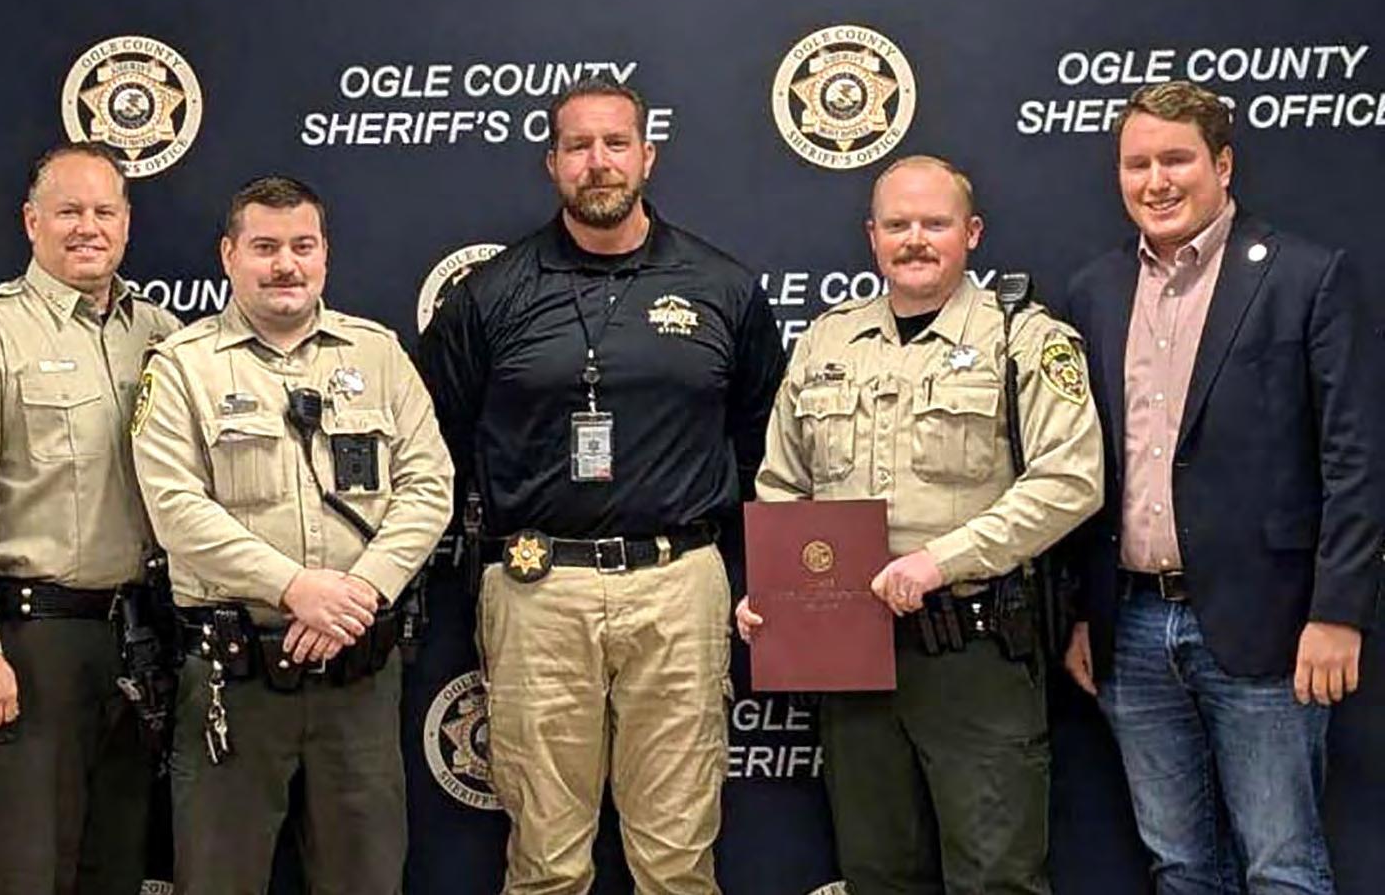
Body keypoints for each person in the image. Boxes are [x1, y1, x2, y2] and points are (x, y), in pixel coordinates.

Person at [417, 77, 785, 894]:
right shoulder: (492, 293)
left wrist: (754, 570)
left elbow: (767, 444)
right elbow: (433, 439)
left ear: (647, 155)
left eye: (616, 143)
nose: (599, 162)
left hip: (679, 585)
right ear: (552, 163)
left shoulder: (721, 286)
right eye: (578, 145)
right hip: (537, 589)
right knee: (546, 862)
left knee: (677, 861)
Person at [737, 155, 1104, 895]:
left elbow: (1071, 479)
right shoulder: (826, 342)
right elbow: (783, 484)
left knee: (996, 878)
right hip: (847, 654)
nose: (915, 240)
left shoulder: (1023, 338)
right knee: (877, 874)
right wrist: (774, 590)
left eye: (935, 223)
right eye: (897, 224)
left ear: (972, 233)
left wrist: (942, 559)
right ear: (872, 236)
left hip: (974, 647)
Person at [1060, 81, 1382, 895]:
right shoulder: (1095, 290)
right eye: (1137, 164)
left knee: (1282, 865)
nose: (1155, 181)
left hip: (1269, 623)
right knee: (1179, 863)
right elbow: (1083, 466)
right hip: (1131, 625)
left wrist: (1339, 611)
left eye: (1176, 159)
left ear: (1224, 165)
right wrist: (1084, 611)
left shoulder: (1306, 276)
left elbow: (1355, 459)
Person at [132, 175, 452, 895]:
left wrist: (360, 593)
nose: (286, 265)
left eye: (302, 246)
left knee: (367, 881)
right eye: (265, 247)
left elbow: (430, 486)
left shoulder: (377, 355)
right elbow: (175, 509)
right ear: (229, 255)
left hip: (358, 676)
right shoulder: (183, 366)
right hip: (235, 678)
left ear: (325, 255)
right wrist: (295, 588)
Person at [0, 142, 181, 895]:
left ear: (126, 223)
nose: (87, 227)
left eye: (104, 211)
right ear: (32, 221)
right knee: (26, 870)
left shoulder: (162, 335)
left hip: (138, 639)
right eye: (68, 211)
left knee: (117, 867)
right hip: (31, 644)